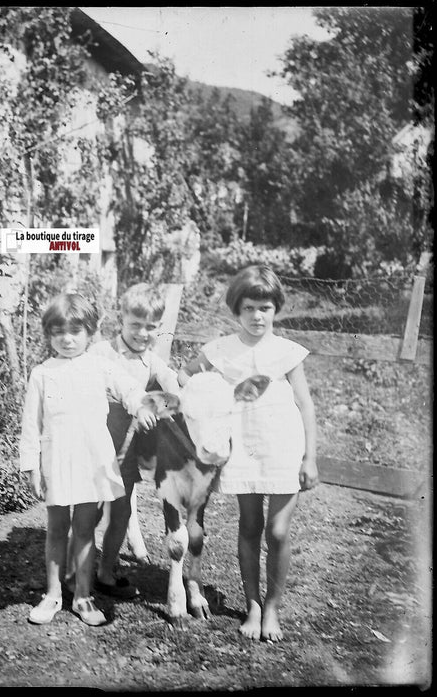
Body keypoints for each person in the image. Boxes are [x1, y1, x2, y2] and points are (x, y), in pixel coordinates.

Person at [178, 265, 318, 642]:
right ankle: (253, 605)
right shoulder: (221, 349)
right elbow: (184, 376)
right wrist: (208, 402)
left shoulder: (288, 352)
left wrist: (311, 458)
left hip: (284, 446)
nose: (258, 316)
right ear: (236, 310)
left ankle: (273, 607)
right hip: (242, 449)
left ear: (277, 310)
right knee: (250, 527)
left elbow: (305, 404)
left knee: (277, 530)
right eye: (250, 308)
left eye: (266, 308)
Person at [19, 293, 156, 626]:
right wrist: (31, 467)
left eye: (75, 331)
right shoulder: (41, 374)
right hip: (57, 462)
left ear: (90, 332)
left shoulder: (100, 366)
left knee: (84, 530)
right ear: (48, 334)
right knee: (56, 530)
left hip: (92, 461)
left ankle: (82, 596)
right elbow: (30, 424)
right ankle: (52, 595)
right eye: (58, 332)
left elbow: (130, 389)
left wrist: (142, 406)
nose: (67, 339)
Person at [85, 283, 180, 598]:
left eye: (150, 327)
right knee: (91, 510)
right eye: (135, 325)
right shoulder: (102, 351)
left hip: (125, 449)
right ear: (121, 318)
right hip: (96, 444)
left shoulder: (150, 361)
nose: (142, 333)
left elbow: (169, 380)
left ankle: (105, 571)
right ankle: (74, 571)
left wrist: (181, 394)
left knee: (122, 512)